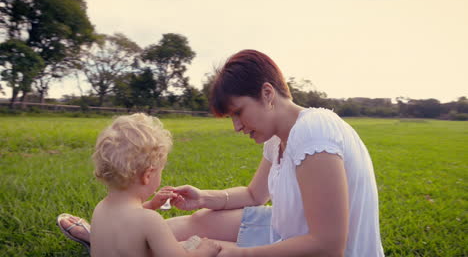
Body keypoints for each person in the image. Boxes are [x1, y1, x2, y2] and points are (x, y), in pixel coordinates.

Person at [59, 50, 384, 256]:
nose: (237, 127)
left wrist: (239, 254)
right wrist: (204, 198)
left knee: (203, 250)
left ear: (267, 94)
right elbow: (255, 194)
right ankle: (113, 237)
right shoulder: (278, 138)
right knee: (199, 221)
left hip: (314, 249)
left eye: (238, 113)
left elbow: (328, 246)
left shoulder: (315, 131)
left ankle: (112, 241)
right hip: (282, 230)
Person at [57, 113, 220, 257]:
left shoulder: (101, 208)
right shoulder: (151, 221)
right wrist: (205, 251)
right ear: (148, 175)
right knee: (192, 244)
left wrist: (152, 204)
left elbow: (129, 223)